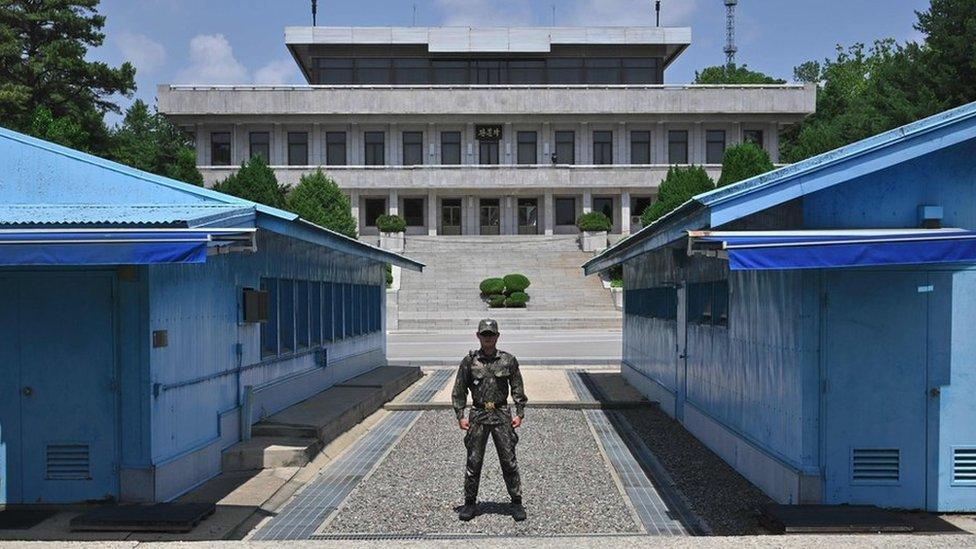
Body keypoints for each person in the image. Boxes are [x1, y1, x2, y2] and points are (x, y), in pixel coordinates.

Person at [452, 318, 528, 522]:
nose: (488, 338)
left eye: (491, 334)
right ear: (478, 336)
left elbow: (517, 387)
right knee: (474, 461)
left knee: (508, 460)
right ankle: (469, 503)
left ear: (497, 336)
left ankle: (516, 501)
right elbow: (459, 390)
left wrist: (519, 413)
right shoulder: (470, 361)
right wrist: (460, 415)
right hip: (478, 415)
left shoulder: (508, 360)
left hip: (501, 414)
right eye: (484, 334)